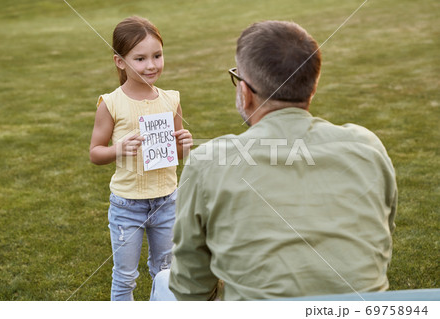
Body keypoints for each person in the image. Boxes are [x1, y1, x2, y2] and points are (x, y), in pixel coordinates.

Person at [151, 20, 397, 301]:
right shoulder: (367, 147)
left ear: (245, 93)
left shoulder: (209, 160)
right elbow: (379, 247)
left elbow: (190, 288)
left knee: (163, 281)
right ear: (311, 87)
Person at [89, 16, 193, 301]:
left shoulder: (170, 99)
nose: (151, 65)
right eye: (140, 58)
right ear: (120, 62)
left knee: (166, 272)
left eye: (157, 56)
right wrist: (118, 148)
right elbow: (95, 153)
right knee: (124, 277)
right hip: (127, 205)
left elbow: (176, 152)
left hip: (167, 201)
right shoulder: (111, 103)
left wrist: (184, 144)